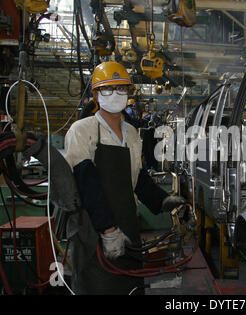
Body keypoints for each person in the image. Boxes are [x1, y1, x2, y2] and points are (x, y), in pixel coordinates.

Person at [64, 61, 188, 295]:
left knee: (130, 288)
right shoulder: (82, 131)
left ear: (129, 93)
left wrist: (162, 201)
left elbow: (137, 178)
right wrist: (108, 231)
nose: (115, 95)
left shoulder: (131, 133)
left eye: (121, 88)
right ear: (96, 94)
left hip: (129, 230)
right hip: (94, 236)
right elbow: (86, 185)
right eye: (107, 89)